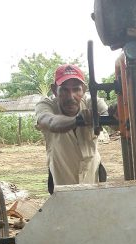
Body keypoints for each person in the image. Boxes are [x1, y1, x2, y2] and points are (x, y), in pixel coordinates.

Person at [35, 64, 108, 194]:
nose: (70, 96)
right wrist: (77, 120)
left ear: (84, 90)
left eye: (76, 89)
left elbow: (114, 120)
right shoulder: (46, 105)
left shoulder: (93, 102)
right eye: (64, 90)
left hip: (94, 181)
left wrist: (117, 113)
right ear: (54, 90)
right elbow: (50, 122)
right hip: (62, 188)